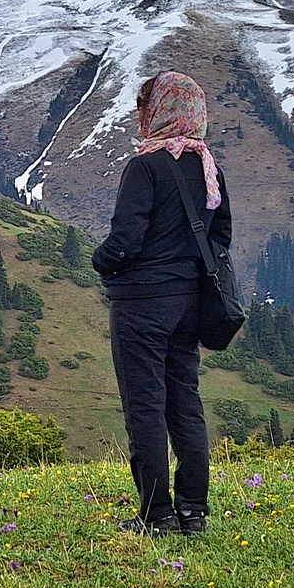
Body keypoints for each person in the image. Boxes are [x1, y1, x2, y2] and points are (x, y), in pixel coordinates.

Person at [90, 71, 230, 537]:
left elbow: (124, 241)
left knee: (145, 406)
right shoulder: (208, 167)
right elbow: (221, 237)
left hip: (141, 304)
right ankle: (194, 510)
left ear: (157, 112)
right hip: (189, 302)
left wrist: (100, 262)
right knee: (185, 401)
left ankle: (157, 515)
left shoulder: (145, 167)